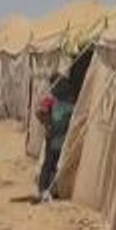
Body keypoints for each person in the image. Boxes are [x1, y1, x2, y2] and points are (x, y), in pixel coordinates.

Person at [35, 73, 75, 202]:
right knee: (49, 164)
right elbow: (39, 112)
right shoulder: (51, 99)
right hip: (53, 137)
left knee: (58, 164)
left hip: (64, 138)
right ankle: (43, 189)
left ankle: (54, 189)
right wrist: (48, 125)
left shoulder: (70, 99)